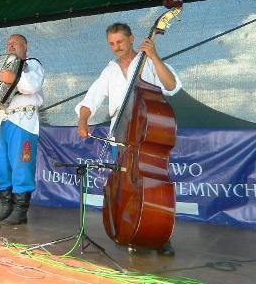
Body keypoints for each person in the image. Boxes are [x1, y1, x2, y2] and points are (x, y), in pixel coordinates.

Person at [75, 22, 182, 256]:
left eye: (120, 42)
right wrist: (83, 120)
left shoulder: (148, 61)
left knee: (153, 184)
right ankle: (132, 230)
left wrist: (154, 56)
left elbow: (172, 86)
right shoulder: (110, 70)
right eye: (112, 44)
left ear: (132, 39)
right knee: (125, 187)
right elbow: (90, 99)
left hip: (145, 133)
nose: (116, 47)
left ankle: (160, 234)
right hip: (120, 136)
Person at [0, 34, 44, 225]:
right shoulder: (0, 66)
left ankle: (21, 210)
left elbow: (32, 86)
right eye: (8, 43)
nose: (10, 46)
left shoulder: (32, 65)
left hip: (22, 120)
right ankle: (6, 205)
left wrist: (13, 78)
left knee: (21, 165)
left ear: (25, 46)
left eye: (15, 43)